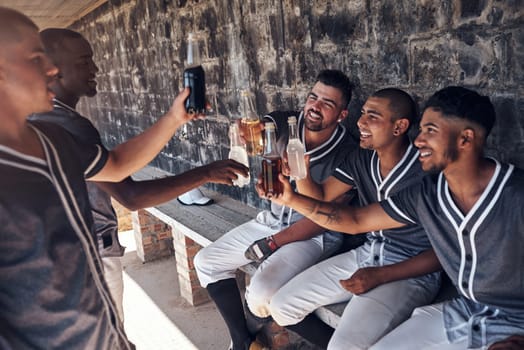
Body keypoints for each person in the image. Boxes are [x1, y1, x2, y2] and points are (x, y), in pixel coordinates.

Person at [0, 7, 215, 349]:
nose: (51, 70)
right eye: (35, 59)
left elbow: (116, 164)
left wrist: (175, 118)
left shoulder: (52, 140)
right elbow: (129, 194)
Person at [264, 86, 524, 349]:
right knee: (283, 306)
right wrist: (291, 198)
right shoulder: (429, 193)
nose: (419, 140)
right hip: (466, 312)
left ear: (465, 139)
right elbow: (355, 220)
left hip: (510, 321)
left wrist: (382, 274)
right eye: (421, 130)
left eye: (430, 131)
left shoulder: (515, 195)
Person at [31, 28, 248, 322]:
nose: (95, 68)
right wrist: (206, 171)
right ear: (51, 70)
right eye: (84, 61)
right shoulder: (64, 125)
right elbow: (129, 193)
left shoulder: (36, 118)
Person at [261, 88, 442, 349]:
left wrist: (381, 275)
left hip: (410, 271)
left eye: (373, 116)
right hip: (369, 253)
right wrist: (301, 172)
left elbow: (440, 255)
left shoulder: (424, 171)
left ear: (399, 126)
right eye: (362, 113)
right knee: (281, 306)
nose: (360, 122)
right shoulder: (362, 158)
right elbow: (322, 197)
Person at [194, 69, 358, 350]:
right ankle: (244, 342)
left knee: (260, 296)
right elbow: (259, 128)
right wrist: (245, 132)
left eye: (327, 104)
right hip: (270, 220)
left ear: (342, 115)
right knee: (206, 262)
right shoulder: (286, 122)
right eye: (313, 98)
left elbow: (325, 219)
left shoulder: (350, 152)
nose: (314, 108)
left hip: (313, 235)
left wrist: (273, 243)